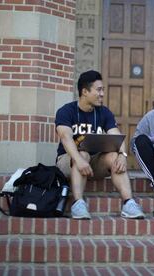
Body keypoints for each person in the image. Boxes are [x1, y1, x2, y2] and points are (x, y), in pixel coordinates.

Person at [55, 70, 145, 219]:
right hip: (68, 162)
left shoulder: (104, 112)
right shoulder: (66, 111)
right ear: (84, 91)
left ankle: (129, 203)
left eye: (102, 89)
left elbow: (116, 136)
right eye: (99, 90)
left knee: (113, 156)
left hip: (93, 164)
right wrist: (78, 159)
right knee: (82, 154)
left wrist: (122, 155)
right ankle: (78, 204)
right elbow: (65, 137)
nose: (102, 93)